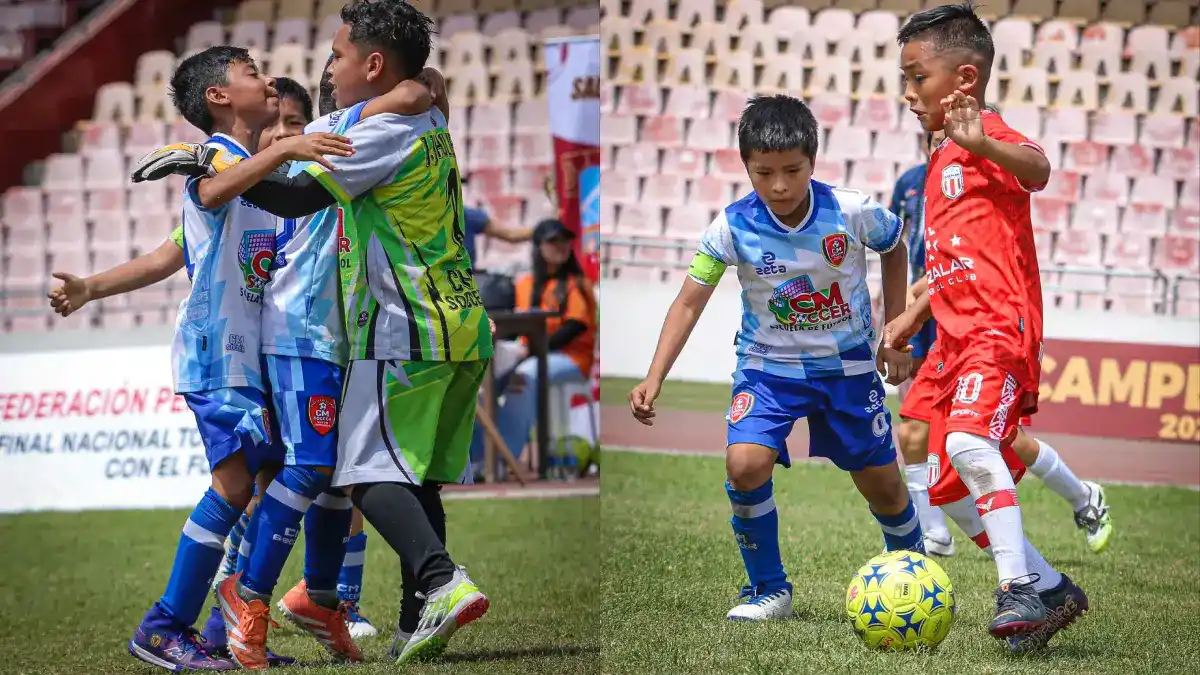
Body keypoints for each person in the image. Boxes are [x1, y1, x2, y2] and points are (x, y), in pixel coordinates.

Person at [139, 0, 491, 664]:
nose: (326, 68)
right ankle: (274, 601)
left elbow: (299, 189)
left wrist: (276, 149)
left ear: (373, 67)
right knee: (333, 472)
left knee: (349, 470)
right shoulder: (384, 121)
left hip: (391, 325)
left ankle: (328, 595)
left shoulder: (361, 129)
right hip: (381, 326)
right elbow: (206, 209)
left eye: (337, 56)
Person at [628, 94, 922, 622]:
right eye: (764, 173)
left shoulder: (851, 209)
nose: (780, 185)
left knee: (882, 485)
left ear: (813, 161)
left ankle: (916, 572)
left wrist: (895, 333)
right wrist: (654, 376)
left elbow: (895, 247)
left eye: (793, 171)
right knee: (744, 464)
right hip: (767, 369)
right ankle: (768, 590)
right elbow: (689, 301)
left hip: (847, 369)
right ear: (747, 167)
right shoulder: (731, 226)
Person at [885, 1, 1089, 649]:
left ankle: (1016, 587)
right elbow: (953, 262)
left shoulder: (987, 139)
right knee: (946, 488)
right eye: (905, 78)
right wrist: (912, 312)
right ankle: (1052, 586)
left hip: (996, 329)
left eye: (918, 77)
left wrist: (982, 144)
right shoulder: (940, 160)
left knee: (971, 445)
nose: (908, 92)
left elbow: (1039, 168)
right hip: (951, 338)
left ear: (965, 80)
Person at [124, 45, 284, 673]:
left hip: (253, 355)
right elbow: (211, 193)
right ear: (219, 96)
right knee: (237, 485)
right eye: (252, 73)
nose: (267, 81)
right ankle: (164, 627)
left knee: (275, 481)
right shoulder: (217, 158)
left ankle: (224, 633)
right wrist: (285, 150)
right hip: (218, 353)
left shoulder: (252, 165)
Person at [496, 218, 596, 466]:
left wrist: (533, 350)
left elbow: (574, 327)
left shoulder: (576, 283)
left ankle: (502, 458)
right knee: (484, 380)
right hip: (530, 354)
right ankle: (476, 458)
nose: (562, 246)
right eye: (553, 241)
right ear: (538, 246)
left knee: (526, 375)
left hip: (571, 358)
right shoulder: (524, 284)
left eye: (565, 240)